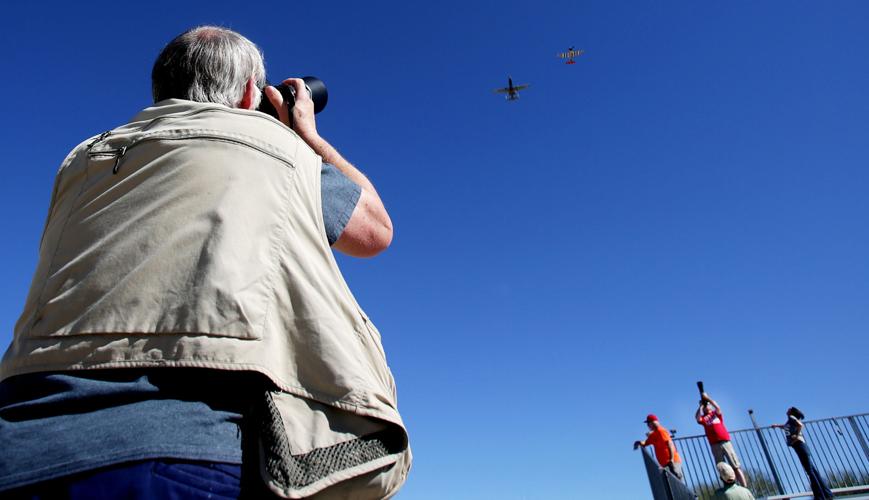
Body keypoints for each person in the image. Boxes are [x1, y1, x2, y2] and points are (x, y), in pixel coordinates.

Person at [0, 26, 410, 499]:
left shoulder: (84, 158)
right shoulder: (280, 151)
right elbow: (375, 232)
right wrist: (306, 135)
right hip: (194, 445)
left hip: (23, 443)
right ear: (252, 93)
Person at [772, 407, 835, 499]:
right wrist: (777, 426)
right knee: (812, 471)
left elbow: (800, 425)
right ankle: (826, 494)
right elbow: (786, 427)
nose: (787, 409)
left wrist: (796, 436)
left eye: (789, 409)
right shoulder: (790, 420)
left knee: (810, 471)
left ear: (791, 411)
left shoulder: (792, 417)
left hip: (799, 445)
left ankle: (820, 496)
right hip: (799, 446)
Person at [696, 392, 747, 487]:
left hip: (725, 442)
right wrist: (701, 406)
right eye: (706, 405)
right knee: (722, 468)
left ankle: (744, 487)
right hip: (714, 444)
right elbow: (697, 418)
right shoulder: (703, 418)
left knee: (735, 465)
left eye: (708, 405)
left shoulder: (716, 414)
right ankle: (729, 487)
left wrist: (708, 398)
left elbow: (718, 407)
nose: (707, 406)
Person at [633, 414, 684, 481]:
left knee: (677, 483)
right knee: (670, 485)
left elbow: (670, 444)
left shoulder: (661, 431)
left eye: (648, 423)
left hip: (672, 462)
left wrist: (671, 460)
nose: (647, 425)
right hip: (666, 464)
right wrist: (638, 443)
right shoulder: (653, 434)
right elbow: (645, 443)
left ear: (653, 422)